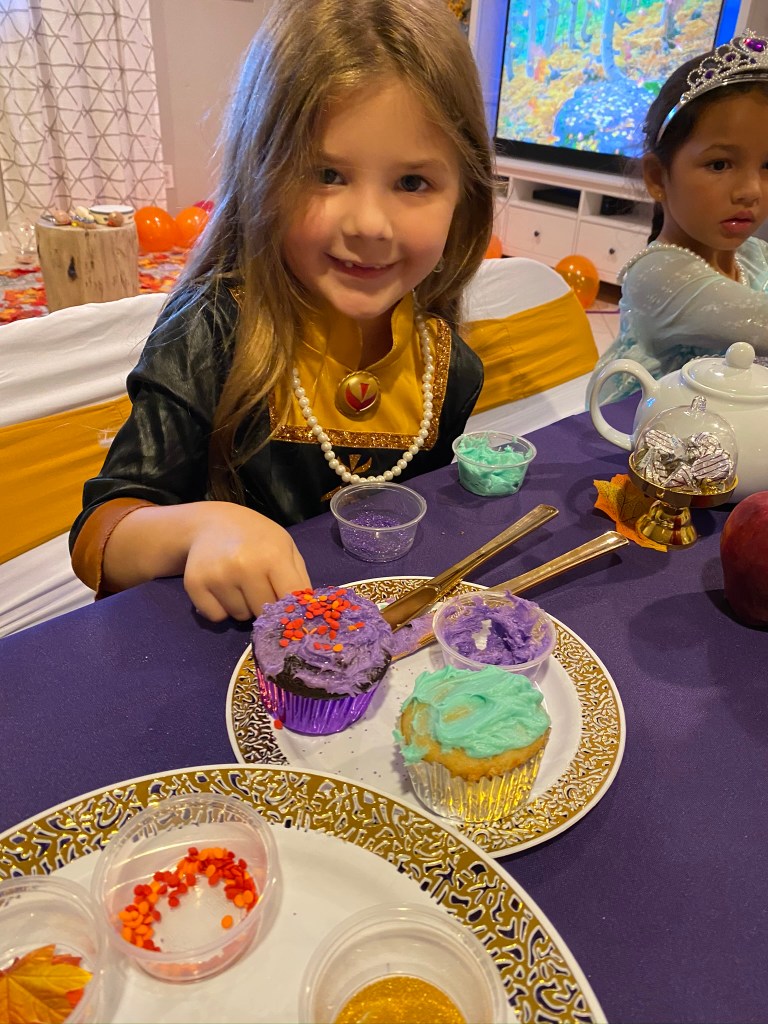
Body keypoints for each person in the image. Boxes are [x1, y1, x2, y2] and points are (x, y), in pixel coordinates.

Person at [69, 0, 494, 623]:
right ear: (259, 175)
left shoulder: (448, 370)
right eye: (326, 173)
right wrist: (205, 528)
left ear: (465, 196)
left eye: (412, 183)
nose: (370, 225)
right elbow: (97, 542)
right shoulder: (213, 330)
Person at [590, 31, 768, 405]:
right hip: (641, 445)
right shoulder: (659, 274)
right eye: (720, 164)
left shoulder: (756, 257)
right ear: (657, 177)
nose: (751, 190)